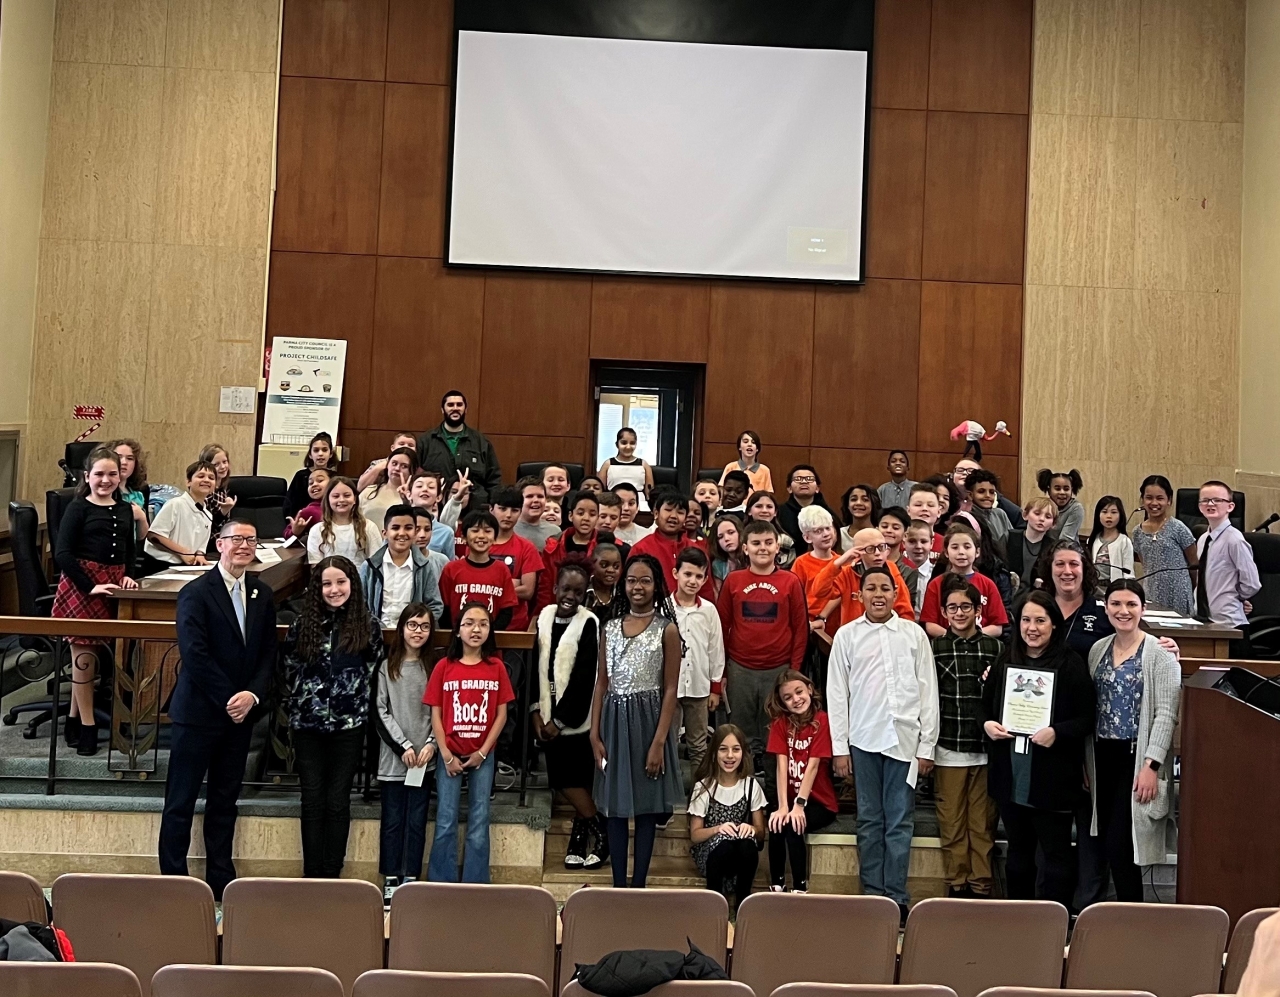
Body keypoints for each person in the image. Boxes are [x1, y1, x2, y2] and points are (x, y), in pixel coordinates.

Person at [159, 519, 274, 899]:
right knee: (181, 800)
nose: (244, 545)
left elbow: (267, 655)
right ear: (219, 544)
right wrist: (231, 697)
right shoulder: (196, 592)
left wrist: (252, 696)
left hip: (240, 717)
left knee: (225, 800)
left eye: (251, 539)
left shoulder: (261, 592)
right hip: (199, 713)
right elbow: (195, 654)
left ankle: (221, 877)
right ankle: (174, 880)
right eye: (236, 539)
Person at [827, 566, 938, 919]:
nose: (878, 594)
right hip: (863, 739)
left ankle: (897, 898)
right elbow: (837, 694)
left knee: (900, 821)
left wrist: (926, 746)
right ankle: (873, 896)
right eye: (871, 588)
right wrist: (840, 748)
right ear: (860, 595)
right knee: (870, 819)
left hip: (905, 741)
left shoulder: (913, 635)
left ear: (895, 593)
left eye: (885, 588)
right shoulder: (847, 636)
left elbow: (927, 691)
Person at [980, 591, 1095, 906]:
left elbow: (1087, 718)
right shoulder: (1006, 658)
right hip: (1011, 772)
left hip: (1053, 775)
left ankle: (1053, 920)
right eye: (1026, 620)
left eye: (1040, 621)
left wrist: (1057, 732)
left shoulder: (1071, 664)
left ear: (1054, 625)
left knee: (1056, 853)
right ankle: (1019, 917)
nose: (1032, 628)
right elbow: (985, 708)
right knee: (1018, 852)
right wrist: (988, 725)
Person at [281, 555, 384, 877]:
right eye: (327, 583)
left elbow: (374, 672)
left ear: (352, 584)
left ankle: (332, 873)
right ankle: (312, 874)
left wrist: (354, 704)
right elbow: (288, 670)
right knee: (312, 800)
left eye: (340, 582)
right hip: (308, 725)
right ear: (317, 588)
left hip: (348, 726)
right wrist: (302, 702)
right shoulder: (302, 624)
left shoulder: (367, 625)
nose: (334, 589)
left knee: (338, 801)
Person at [591, 554, 685, 888]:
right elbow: (602, 682)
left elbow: (671, 688)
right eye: (631, 580)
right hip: (614, 722)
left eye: (645, 580)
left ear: (657, 585)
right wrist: (594, 733)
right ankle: (619, 885)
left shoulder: (667, 629)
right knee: (615, 808)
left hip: (649, 724)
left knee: (645, 809)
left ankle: (639, 885)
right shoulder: (610, 628)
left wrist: (659, 742)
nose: (637, 587)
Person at [1084, 579, 1180, 903]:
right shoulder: (1099, 649)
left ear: (1143, 608)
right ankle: (1126, 914)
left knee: (1121, 842)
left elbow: (1166, 714)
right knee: (1109, 843)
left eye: (1131, 604)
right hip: (1102, 756)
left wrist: (1151, 764)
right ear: (1106, 608)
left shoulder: (1160, 654)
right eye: (1116, 604)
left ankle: (1133, 915)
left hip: (1136, 759)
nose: (1123, 611)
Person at [52, 447, 139, 754]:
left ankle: (74, 719)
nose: (106, 480)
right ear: (87, 477)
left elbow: (129, 550)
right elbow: (62, 554)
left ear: (121, 475)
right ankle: (88, 726)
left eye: (112, 474)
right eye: (99, 474)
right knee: (84, 659)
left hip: (113, 585)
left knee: (91, 661)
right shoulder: (78, 508)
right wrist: (90, 587)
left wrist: (128, 574)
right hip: (82, 586)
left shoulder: (126, 508)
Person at [426, 602, 514, 882]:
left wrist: (483, 752)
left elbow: (501, 716)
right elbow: (435, 713)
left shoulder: (496, 667)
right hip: (449, 753)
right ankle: (442, 882)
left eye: (483, 623)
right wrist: (446, 754)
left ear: (490, 629)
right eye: (469, 623)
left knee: (479, 819)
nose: (476, 629)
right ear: (458, 630)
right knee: (446, 818)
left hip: (483, 756)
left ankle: (476, 884)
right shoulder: (444, 666)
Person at [716, 520, 808, 781]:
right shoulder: (734, 581)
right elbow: (722, 628)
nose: (762, 548)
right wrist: (722, 671)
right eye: (756, 543)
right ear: (745, 548)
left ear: (777, 546)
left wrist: (794, 672)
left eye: (768, 543)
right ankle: (737, 789)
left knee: (774, 735)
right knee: (739, 733)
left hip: (778, 670)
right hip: (740, 668)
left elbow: (800, 629)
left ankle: (774, 793)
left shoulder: (790, 581)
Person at [930, 578, 1001, 898]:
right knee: (952, 823)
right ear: (944, 612)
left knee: (982, 824)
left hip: (986, 749)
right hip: (949, 746)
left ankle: (981, 885)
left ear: (978, 610)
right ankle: (957, 884)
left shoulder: (995, 647)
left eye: (966, 607)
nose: (959, 613)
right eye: (953, 608)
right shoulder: (935, 647)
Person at [534, 564, 607, 869]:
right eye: (566, 589)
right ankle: (581, 837)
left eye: (578, 591)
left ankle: (599, 834)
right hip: (545, 714)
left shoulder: (588, 622)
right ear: (555, 588)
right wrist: (536, 712)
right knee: (567, 781)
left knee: (572, 781)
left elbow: (584, 676)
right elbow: (534, 665)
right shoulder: (544, 617)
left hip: (576, 720)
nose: (570, 596)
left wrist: (559, 721)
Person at [375, 603, 437, 904]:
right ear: (402, 628)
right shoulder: (388, 666)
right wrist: (404, 746)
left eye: (424, 626)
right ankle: (390, 876)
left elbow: (441, 713)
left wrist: (429, 745)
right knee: (392, 820)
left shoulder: (435, 667)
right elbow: (381, 711)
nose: (418, 631)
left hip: (423, 761)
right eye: (412, 625)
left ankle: (410, 876)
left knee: (416, 820)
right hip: (394, 760)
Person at [765, 670, 838, 893]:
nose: (796, 699)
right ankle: (776, 885)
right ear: (782, 702)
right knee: (776, 822)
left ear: (809, 689)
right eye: (788, 697)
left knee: (793, 825)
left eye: (799, 692)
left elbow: (814, 766)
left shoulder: (822, 720)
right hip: (790, 799)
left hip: (819, 802)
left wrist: (798, 805)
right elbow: (781, 765)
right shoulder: (780, 724)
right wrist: (783, 806)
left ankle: (800, 888)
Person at [688, 724, 766, 913]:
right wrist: (717, 829)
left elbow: (761, 834)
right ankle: (715, 910)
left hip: (740, 854)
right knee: (724, 847)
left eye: (736, 749)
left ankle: (742, 906)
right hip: (713, 854)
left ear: (743, 753)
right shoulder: (704, 786)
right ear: (714, 753)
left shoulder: (750, 786)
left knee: (747, 846)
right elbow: (695, 835)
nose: (730, 756)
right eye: (723, 749)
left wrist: (753, 830)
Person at [671, 548, 725, 780]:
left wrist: (715, 688)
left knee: (698, 745)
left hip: (699, 687)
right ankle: (667, 799)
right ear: (676, 573)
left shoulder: (709, 610)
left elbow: (716, 649)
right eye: (688, 574)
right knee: (668, 743)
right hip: (669, 690)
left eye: (699, 576)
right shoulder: (664, 608)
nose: (693, 581)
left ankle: (699, 796)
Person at [812, 528, 916, 630]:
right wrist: (838, 562)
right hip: (854, 637)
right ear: (857, 553)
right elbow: (819, 591)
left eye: (881, 547)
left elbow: (905, 612)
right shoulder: (847, 572)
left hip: (887, 634)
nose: (877, 553)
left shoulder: (892, 571)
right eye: (870, 549)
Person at [1195, 480, 1261, 640]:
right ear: (1199, 506)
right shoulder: (1203, 539)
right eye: (1205, 500)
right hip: (1204, 620)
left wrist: (1234, 597)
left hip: (1230, 624)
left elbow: (1252, 583)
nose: (1210, 504)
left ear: (1230, 506)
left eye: (1217, 500)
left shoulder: (1234, 540)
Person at [919, 523, 1009, 639]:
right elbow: (930, 625)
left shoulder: (988, 584)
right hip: (947, 643)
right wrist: (955, 637)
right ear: (946, 552)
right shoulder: (936, 584)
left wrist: (973, 636)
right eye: (955, 547)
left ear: (977, 552)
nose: (961, 552)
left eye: (967, 547)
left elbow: (997, 627)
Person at [360, 505, 444, 627]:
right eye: (395, 528)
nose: (402, 533)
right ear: (385, 533)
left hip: (412, 638)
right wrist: (374, 627)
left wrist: (416, 626)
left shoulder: (425, 567)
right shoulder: (369, 567)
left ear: (415, 532)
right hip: (375, 636)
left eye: (408, 528)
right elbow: (360, 605)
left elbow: (435, 605)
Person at [416, 391, 502, 511]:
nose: (455, 408)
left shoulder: (481, 441)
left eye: (459, 405)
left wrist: (494, 506)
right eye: (450, 405)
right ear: (442, 409)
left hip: (475, 509)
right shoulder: (426, 441)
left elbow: (494, 479)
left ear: (465, 409)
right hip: (437, 508)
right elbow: (416, 476)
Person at [439, 511, 517, 629]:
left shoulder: (502, 570)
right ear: (464, 537)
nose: (481, 536)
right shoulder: (451, 569)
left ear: (495, 537)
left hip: (489, 641)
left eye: (488, 531)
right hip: (457, 640)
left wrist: (488, 634)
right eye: (475, 530)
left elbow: (506, 610)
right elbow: (444, 608)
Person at [1132, 474, 1197, 615]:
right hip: (1152, 593)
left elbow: (1194, 565)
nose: (1154, 503)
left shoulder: (1179, 528)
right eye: (1149, 498)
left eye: (1160, 498)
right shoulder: (1137, 532)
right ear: (1142, 500)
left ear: (1169, 500)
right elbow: (1146, 566)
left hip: (1178, 594)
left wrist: (1190, 591)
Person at [631, 489, 714, 597]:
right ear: (656, 513)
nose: (674, 516)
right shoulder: (641, 549)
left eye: (680, 512)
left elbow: (706, 591)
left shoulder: (696, 550)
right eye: (668, 510)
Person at [143, 460, 217, 568]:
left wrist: (200, 555)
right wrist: (183, 552)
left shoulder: (208, 515)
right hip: (159, 564)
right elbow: (154, 535)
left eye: (211, 478)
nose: (206, 480)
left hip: (185, 566)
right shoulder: (175, 504)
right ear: (188, 482)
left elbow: (201, 548)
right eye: (201, 476)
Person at [536, 491, 600, 614]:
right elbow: (545, 587)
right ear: (571, 516)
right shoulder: (553, 546)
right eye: (580, 513)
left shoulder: (603, 547)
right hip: (557, 611)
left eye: (592, 514)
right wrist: (545, 615)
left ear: (597, 518)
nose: (586, 518)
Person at [490, 487, 542, 632]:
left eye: (514, 510)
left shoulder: (527, 548)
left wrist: (489, 587)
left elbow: (527, 591)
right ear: (491, 509)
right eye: (502, 508)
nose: (508, 515)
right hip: (480, 625)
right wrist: (512, 583)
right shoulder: (478, 544)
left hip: (515, 628)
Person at [306, 476, 382, 567]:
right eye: (336, 496)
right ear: (328, 499)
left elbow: (376, 563)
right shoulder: (317, 530)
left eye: (347, 495)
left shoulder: (369, 527)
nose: (341, 500)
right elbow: (316, 566)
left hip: (360, 579)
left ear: (354, 499)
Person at [107, 438, 150, 564]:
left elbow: (142, 537)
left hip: (130, 555)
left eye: (130, 458)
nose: (124, 462)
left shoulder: (139, 493)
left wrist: (141, 517)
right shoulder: (104, 492)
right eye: (119, 457)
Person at [777, 465, 832, 555]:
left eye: (809, 479)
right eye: (798, 479)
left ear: (817, 488)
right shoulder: (779, 513)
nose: (804, 482)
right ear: (789, 488)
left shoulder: (827, 513)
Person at [1007, 497, 1057, 595]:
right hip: (1009, 595)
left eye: (1048, 516)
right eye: (1037, 514)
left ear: (1053, 524)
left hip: (1037, 598)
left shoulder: (1053, 547)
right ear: (1025, 515)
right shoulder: (1009, 537)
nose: (1042, 519)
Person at [360, 446, 417, 529]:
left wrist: (407, 502)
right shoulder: (369, 491)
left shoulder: (413, 496)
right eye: (394, 463)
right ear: (387, 465)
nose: (397, 468)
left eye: (404, 466)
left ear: (412, 470)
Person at [285, 432, 338, 518]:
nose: (320, 454)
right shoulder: (300, 476)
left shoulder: (335, 477)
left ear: (331, 454)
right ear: (310, 454)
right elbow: (290, 504)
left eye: (324, 450)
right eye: (316, 450)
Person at [1088, 496, 1135, 592]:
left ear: (1120, 515)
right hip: (1094, 585)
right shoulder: (1092, 540)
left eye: (1113, 512)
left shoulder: (1124, 541)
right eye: (1104, 512)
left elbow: (1128, 571)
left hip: (1114, 586)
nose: (1109, 516)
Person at [745, 490, 796, 569]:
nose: (764, 510)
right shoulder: (740, 537)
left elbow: (789, 570)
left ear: (775, 512)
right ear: (749, 511)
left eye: (769, 507)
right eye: (759, 506)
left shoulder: (786, 541)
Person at [966, 469, 1012, 554]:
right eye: (981, 491)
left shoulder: (1000, 514)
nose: (987, 496)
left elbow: (1012, 542)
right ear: (970, 495)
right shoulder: (967, 518)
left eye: (992, 492)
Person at [599, 427, 653, 500]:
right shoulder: (608, 464)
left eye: (632, 443)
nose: (628, 447)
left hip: (639, 503)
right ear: (617, 444)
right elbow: (601, 491)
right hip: (612, 503)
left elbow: (650, 493)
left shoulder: (643, 464)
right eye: (624, 443)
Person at [198, 443, 238, 541]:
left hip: (224, 535)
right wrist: (223, 512)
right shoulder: (206, 492)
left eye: (225, 462)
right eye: (216, 464)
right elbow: (205, 527)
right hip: (209, 542)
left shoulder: (222, 488)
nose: (223, 467)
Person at [878, 507, 920, 602]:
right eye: (884, 526)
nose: (889, 530)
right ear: (876, 529)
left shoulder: (910, 569)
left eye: (895, 528)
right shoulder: (865, 560)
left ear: (905, 535)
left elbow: (908, 603)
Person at [512, 476, 560, 552]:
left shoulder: (554, 531)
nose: (536, 500)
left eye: (540, 496)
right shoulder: (509, 529)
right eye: (529, 496)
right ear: (519, 500)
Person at [286, 466, 332, 541]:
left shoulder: (341, 506)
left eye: (320, 480)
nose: (314, 484)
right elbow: (286, 533)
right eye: (310, 483)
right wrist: (295, 532)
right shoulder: (309, 511)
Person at [720, 430, 773, 494]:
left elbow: (769, 494)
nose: (749, 444)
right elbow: (721, 490)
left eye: (753, 442)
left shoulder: (765, 470)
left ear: (757, 449)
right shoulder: (730, 467)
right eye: (745, 442)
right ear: (739, 447)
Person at [1039, 468, 1085, 541]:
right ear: (1049, 490)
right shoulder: (1043, 506)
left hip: (1067, 550)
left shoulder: (1076, 507)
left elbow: (1065, 539)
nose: (1062, 492)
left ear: (1072, 490)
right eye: (1057, 489)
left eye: (1066, 489)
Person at [903, 520, 935, 615]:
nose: (918, 546)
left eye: (924, 541)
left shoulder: (936, 574)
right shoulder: (898, 572)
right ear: (904, 542)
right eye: (912, 541)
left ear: (931, 543)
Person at [710, 515, 745, 597]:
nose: (726, 539)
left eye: (731, 532)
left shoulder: (753, 557)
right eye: (720, 537)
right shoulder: (718, 564)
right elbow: (719, 596)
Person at [839, 484, 882, 549]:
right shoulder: (839, 534)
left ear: (874, 504)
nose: (858, 503)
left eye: (865, 500)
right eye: (854, 499)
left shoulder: (881, 534)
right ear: (847, 505)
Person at [906, 483, 944, 556]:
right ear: (908, 511)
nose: (924, 509)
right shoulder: (897, 541)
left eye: (930, 505)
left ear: (939, 511)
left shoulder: (946, 543)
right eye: (918, 505)